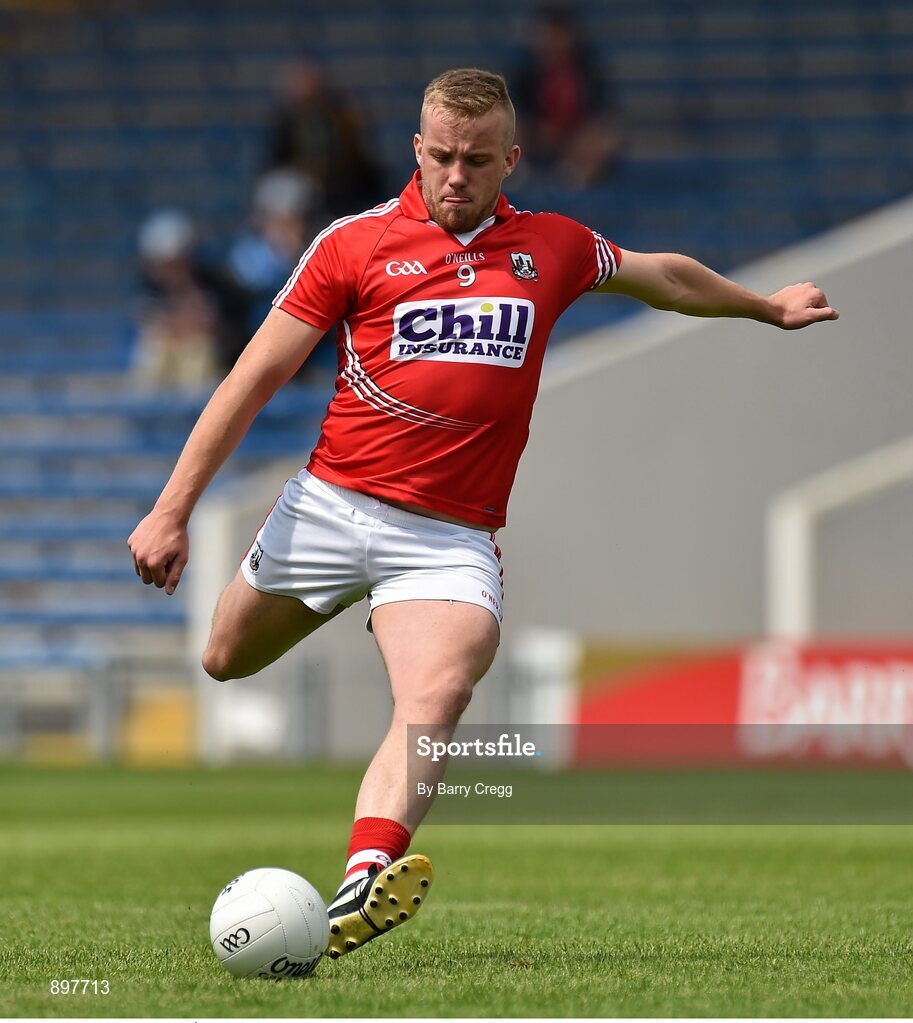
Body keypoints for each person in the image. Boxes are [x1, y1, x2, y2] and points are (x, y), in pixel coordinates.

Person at [127, 68, 838, 960]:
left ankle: (361, 880)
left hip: (448, 540)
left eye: (475, 159)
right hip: (331, 506)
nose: (456, 174)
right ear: (417, 150)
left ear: (511, 157)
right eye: (441, 156)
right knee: (223, 657)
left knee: (436, 695)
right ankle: (328, 643)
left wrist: (764, 306)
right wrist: (172, 509)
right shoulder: (353, 244)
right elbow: (252, 378)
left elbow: (661, 276)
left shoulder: (554, 247)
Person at [511, 5, 621, 187]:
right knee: (509, 127)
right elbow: (515, 105)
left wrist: (573, 129)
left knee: (603, 135)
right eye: (547, 36)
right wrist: (538, 128)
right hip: (536, 132)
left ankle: (569, 183)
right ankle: (519, 179)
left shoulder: (587, 69)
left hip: (575, 135)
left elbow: (600, 108)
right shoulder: (526, 69)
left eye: (558, 36)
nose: (552, 43)